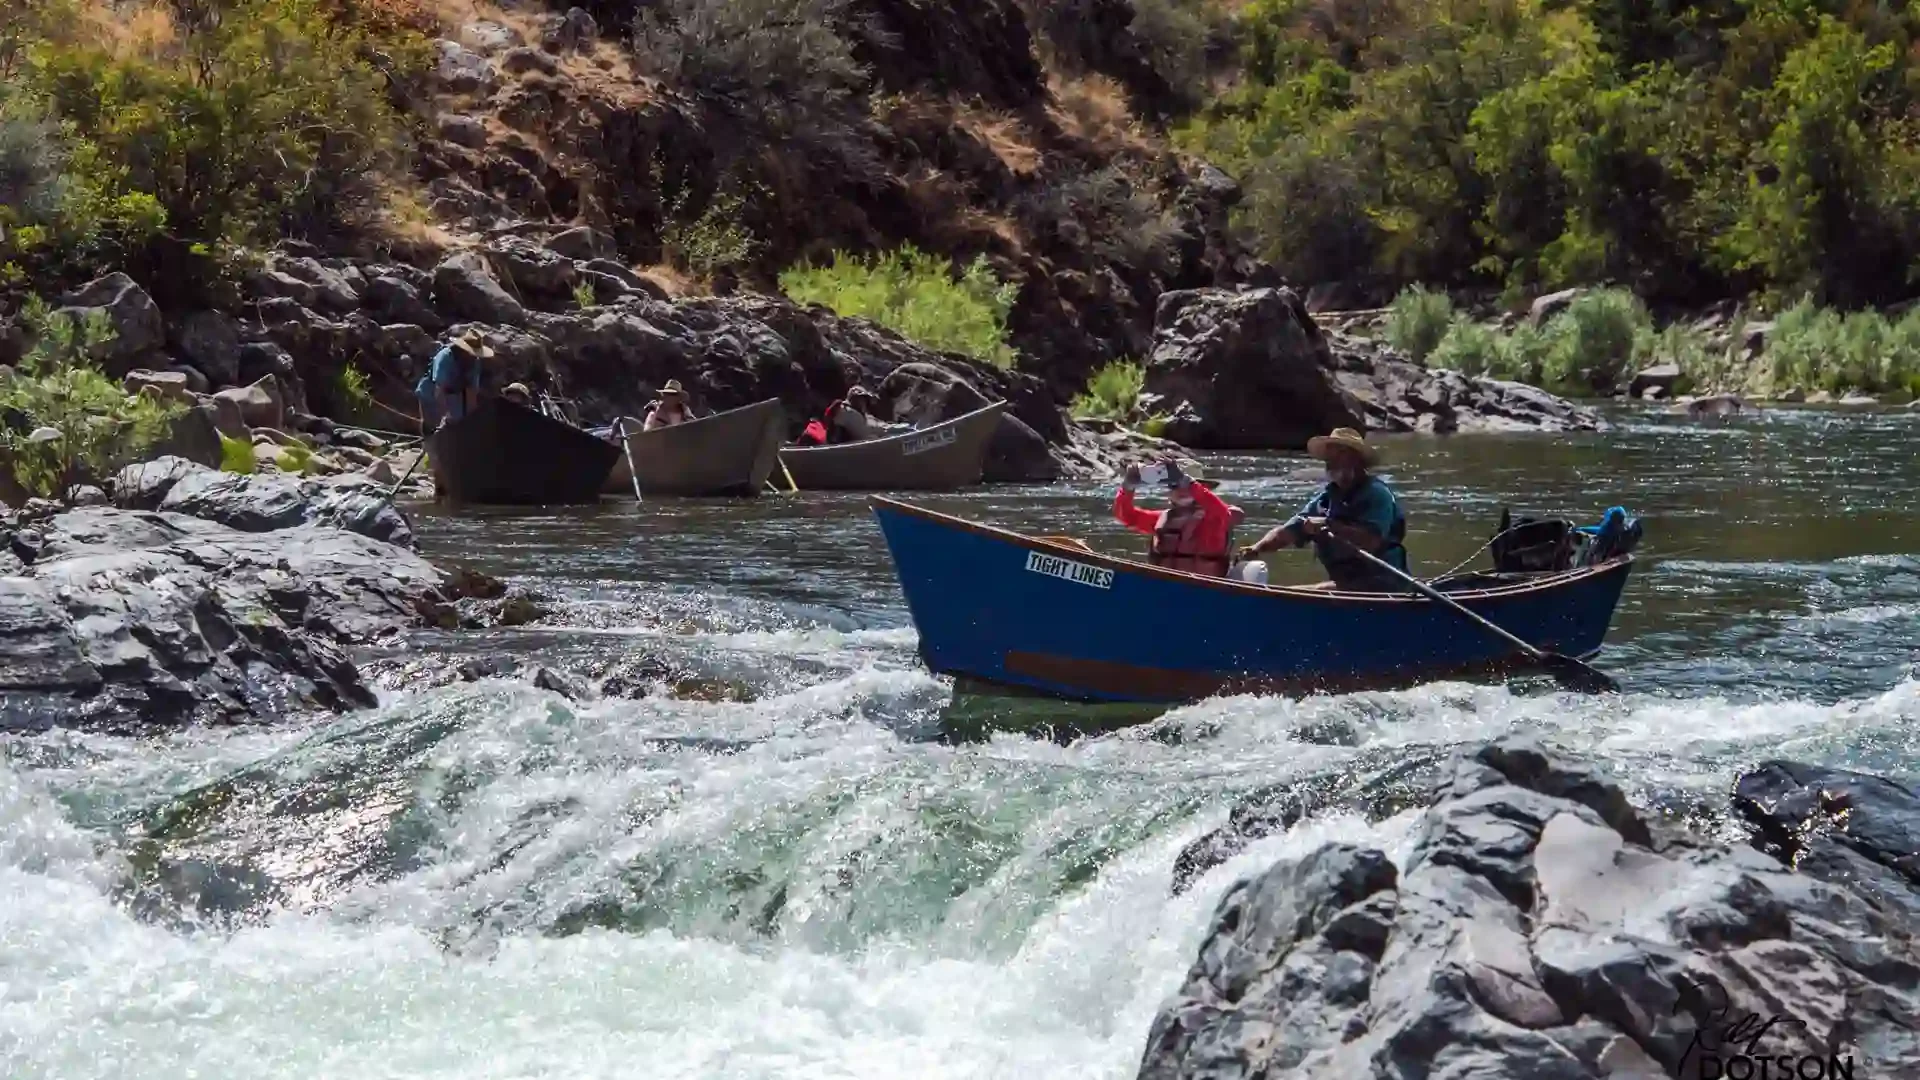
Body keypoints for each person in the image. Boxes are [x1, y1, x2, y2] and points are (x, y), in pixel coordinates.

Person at [1239, 427, 1408, 591]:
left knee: (1304, 592)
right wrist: (1257, 548)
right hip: (1346, 583)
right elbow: (1287, 532)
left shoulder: (1377, 494)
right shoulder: (1326, 499)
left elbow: (1371, 541)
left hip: (1383, 582)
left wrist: (1331, 525)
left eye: (1340, 453)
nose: (1332, 460)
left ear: (1357, 460)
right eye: (1330, 455)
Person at [1112, 456, 1243, 577]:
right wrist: (1127, 487)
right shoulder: (1162, 519)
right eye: (1174, 485)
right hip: (1164, 588)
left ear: (1202, 488)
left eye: (1185, 485)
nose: (1181, 490)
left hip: (1205, 590)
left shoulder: (1216, 516)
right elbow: (1127, 517)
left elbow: (1223, 512)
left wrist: (1185, 481)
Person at [420, 329, 491, 430]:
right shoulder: (445, 357)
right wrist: (445, 417)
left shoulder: (474, 362)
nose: (473, 356)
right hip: (431, 393)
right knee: (434, 427)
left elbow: (471, 392)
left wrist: (471, 419)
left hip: (455, 396)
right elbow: (439, 390)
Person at [796, 386, 910, 445]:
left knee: (900, 429)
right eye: (860, 399)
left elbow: (872, 426)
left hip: (857, 443)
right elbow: (864, 435)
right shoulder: (847, 413)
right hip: (847, 448)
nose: (863, 402)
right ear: (853, 399)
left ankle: (910, 429)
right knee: (889, 433)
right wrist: (885, 435)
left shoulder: (857, 412)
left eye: (864, 399)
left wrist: (888, 428)